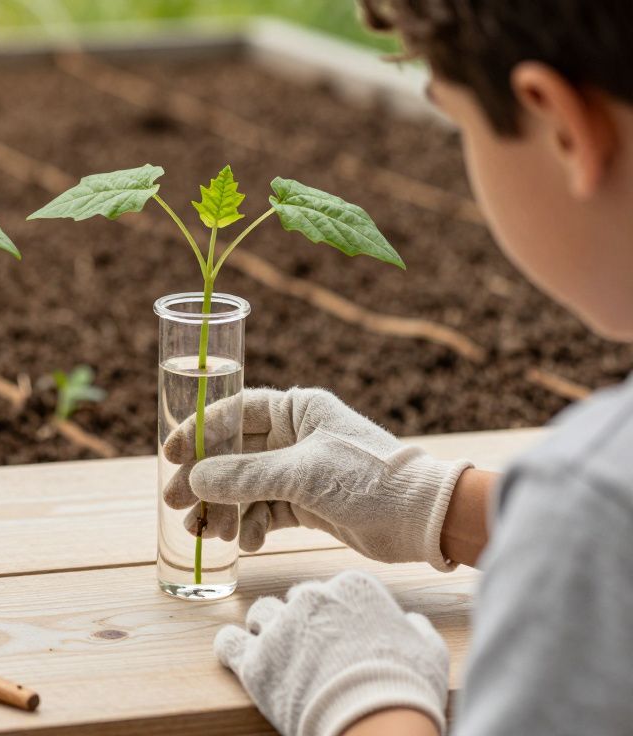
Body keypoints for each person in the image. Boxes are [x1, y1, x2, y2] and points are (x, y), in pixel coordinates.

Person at [162, 2, 633, 734]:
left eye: (458, 123)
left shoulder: (593, 496)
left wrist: (363, 697)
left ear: (562, 127)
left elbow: (606, 523)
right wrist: (436, 504)